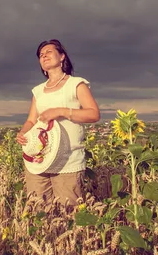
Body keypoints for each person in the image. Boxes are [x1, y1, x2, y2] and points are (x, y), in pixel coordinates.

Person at [16, 39, 100, 207]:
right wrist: (23, 133)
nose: (44, 56)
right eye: (41, 55)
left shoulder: (76, 84)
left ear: (62, 57)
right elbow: (31, 120)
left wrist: (61, 111)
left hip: (67, 160)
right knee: (38, 211)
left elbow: (93, 114)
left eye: (48, 52)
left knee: (69, 214)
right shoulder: (38, 91)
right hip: (39, 160)